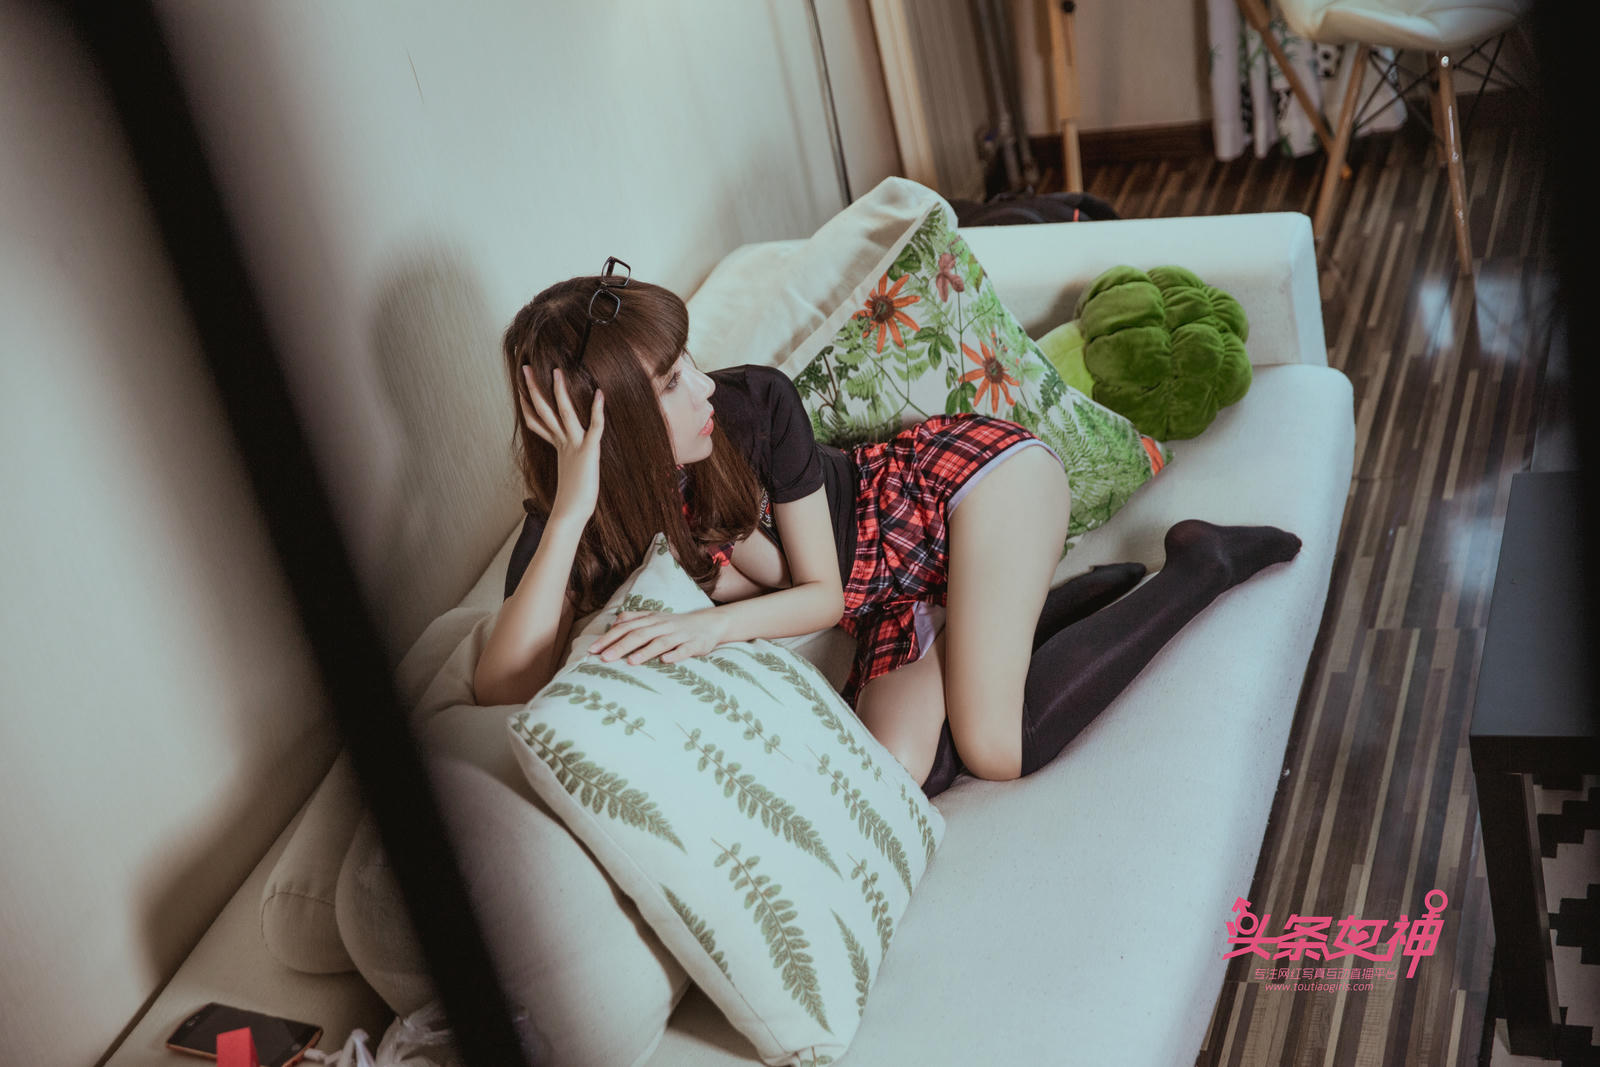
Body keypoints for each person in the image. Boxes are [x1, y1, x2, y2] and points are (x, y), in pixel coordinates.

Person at [472, 258, 1303, 797]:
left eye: (686, 361)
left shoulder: (754, 403)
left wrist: (709, 627)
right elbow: (501, 687)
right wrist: (570, 509)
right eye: (668, 383)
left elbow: (822, 596)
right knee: (903, 774)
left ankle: (1202, 564)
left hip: (961, 490)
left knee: (997, 748)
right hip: (896, 600)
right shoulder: (580, 517)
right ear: (608, 428)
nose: (703, 388)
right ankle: (1052, 606)